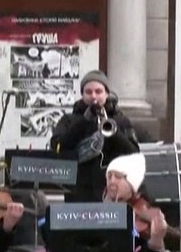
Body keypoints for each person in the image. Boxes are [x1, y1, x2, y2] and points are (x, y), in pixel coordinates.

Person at [50, 70, 148, 204]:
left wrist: (114, 133)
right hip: (78, 189)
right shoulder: (68, 120)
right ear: (82, 95)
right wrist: (83, 122)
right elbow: (57, 147)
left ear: (107, 94)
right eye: (88, 92)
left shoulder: (121, 120)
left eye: (98, 91)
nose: (93, 96)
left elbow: (133, 152)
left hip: (111, 189)